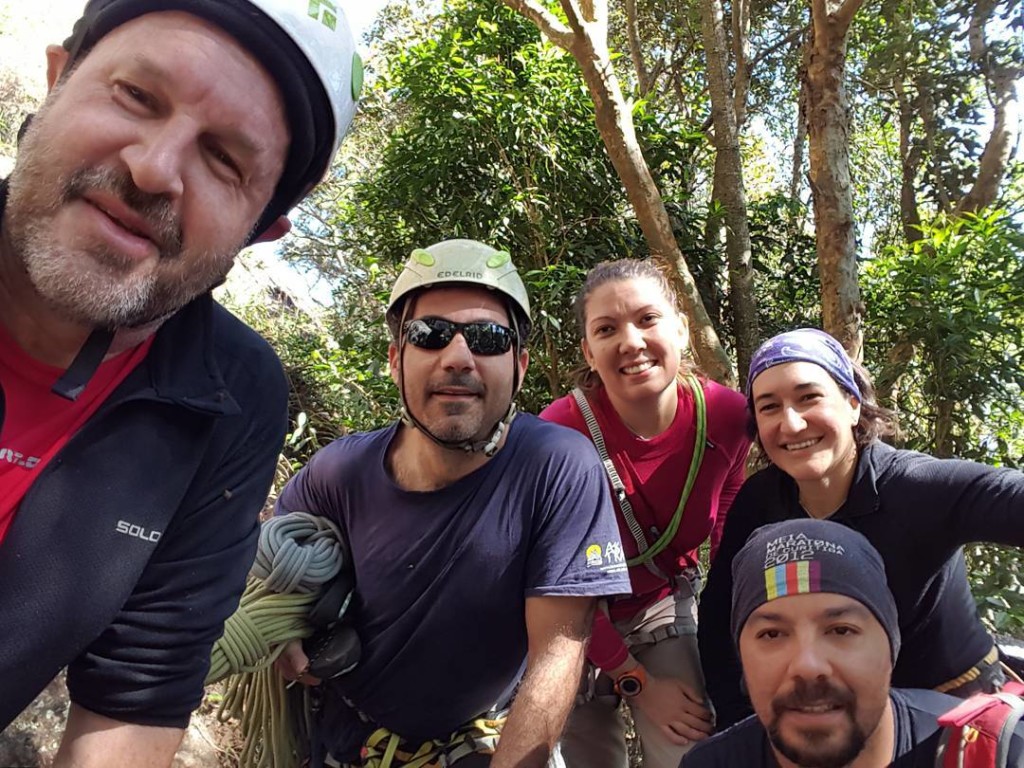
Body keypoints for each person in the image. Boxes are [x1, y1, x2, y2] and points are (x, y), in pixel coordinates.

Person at [0, 0, 360, 763]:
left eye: (225, 160)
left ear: (260, 228)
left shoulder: (233, 398)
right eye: (136, 95)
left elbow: (136, 696)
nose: (154, 168)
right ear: (59, 79)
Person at [274, 239, 633, 768]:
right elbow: (269, 570)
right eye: (430, 335)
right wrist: (282, 631)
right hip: (341, 738)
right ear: (397, 359)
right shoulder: (336, 472)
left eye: (489, 339)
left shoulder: (557, 467)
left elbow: (558, 652)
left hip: (481, 744)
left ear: (521, 365)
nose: (459, 358)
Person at [698, 328, 1024, 730]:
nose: (793, 423)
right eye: (769, 407)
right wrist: (741, 725)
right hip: (830, 724)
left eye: (809, 397)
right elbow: (719, 618)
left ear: (853, 404)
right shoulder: (761, 503)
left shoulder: (915, 486)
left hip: (952, 719)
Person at [539, 259, 751, 768]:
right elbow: (555, 580)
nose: (630, 342)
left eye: (647, 319)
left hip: (659, 605)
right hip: (568, 620)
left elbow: (726, 514)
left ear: (680, 327)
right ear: (589, 353)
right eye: (607, 330)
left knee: (691, 748)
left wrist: (728, 631)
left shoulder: (725, 417)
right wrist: (635, 681)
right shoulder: (559, 434)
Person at [683, 518, 1024, 767]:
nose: (807, 665)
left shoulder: (993, 754)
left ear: (890, 649)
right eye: (772, 634)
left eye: (841, 630)